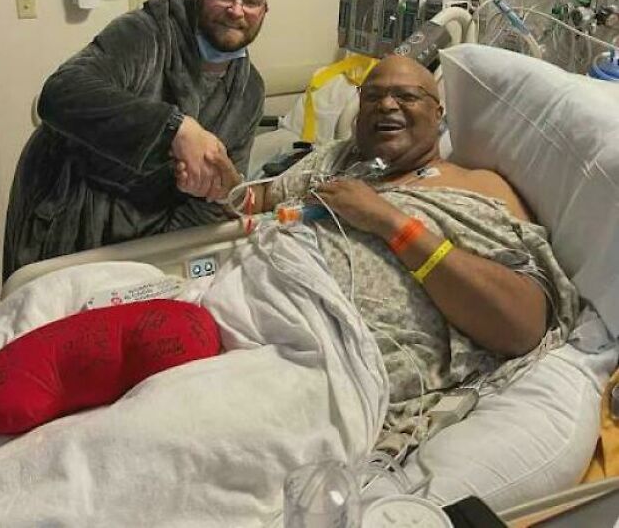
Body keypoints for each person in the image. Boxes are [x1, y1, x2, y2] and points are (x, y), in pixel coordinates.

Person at [215, 54, 578, 455]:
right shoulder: (338, 159)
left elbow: (522, 324)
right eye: (372, 96)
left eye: (406, 96)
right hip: (244, 311)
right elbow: (259, 200)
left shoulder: (476, 185)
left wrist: (389, 222)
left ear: (438, 114)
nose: (386, 105)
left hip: (327, 365)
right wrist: (225, 187)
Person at [2, 0, 270, 283]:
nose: (236, 10)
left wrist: (165, 264)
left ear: (264, 10)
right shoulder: (146, 35)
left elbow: (214, 197)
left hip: (150, 234)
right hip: (68, 208)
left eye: (251, 1)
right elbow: (60, 93)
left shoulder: (248, 92)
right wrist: (176, 130)